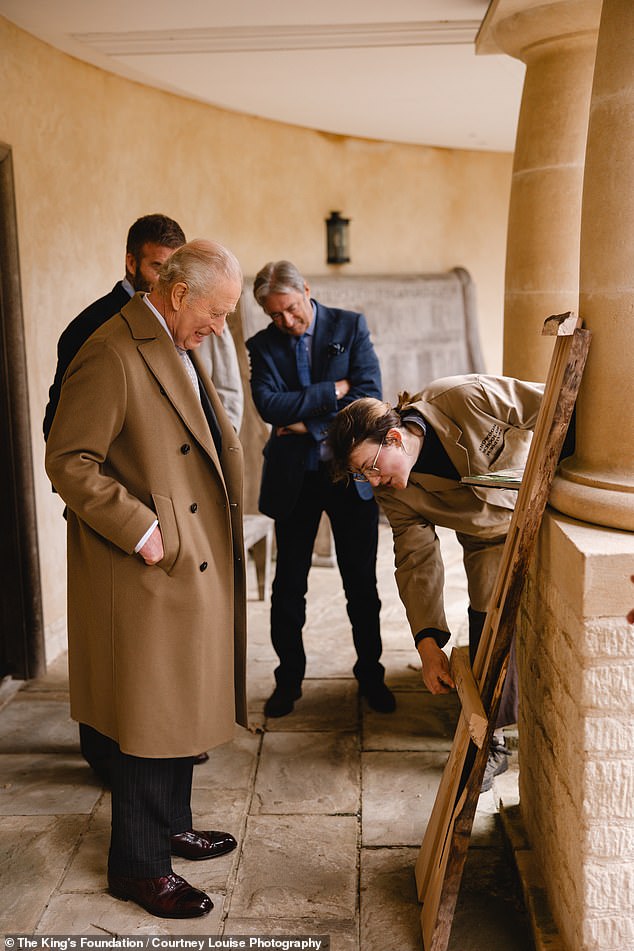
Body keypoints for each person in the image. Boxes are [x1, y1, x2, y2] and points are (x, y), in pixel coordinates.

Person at [45, 239, 246, 918]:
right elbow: (69, 460)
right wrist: (143, 529)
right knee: (149, 715)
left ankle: (170, 825)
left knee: (179, 706)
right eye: (216, 314)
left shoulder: (171, 338)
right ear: (179, 291)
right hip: (146, 564)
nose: (220, 328)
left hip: (184, 561)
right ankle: (138, 866)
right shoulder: (110, 349)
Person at [326, 374, 544, 791]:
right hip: (489, 541)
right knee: (486, 618)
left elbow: (554, 406)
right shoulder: (393, 492)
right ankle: (493, 737)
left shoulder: (463, 397)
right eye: (361, 476)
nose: (372, 483)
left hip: (546, 504)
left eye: (370, 468)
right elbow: (416, 559)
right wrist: (428, 647)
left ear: (393, 438)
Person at [246, 260, 395, 718]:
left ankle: (371, 675)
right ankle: (287, 680)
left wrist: (305, 423)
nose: (286, 322)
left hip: (350, 478)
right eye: (275, 316)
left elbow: (368, 395)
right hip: (294, 481)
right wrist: (334, 391)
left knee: (361, 584)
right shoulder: (262, 345)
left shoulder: (350, 326)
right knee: (288, 586)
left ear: (305, 290)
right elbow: (269, 406)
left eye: (291, 310)